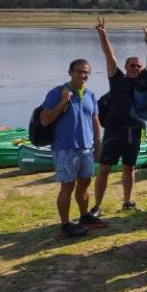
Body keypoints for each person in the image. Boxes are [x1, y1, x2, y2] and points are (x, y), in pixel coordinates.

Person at [40, 58, 105, 238]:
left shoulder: (90, 95)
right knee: (67, 187)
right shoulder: (57, 93)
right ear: (70, 72)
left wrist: (97, 145)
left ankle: (85, 217)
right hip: (65, 149)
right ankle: (66, 225)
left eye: (86, 72)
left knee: (85, 183)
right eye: (78, 71)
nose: (82, 75)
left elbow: (95, 121)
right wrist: (63, 101)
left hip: (86, 148)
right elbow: (45, 119)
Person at [90, 18, 146, 216]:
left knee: (129, 168)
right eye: (132, 65)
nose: (136, 69)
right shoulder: (117, 79)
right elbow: (109, 55)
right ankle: (97, 206)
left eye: (139, 66)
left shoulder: (143, 83)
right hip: (114, 131)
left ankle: (128, 201)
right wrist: (103, 34)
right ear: (126, 66)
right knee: (104, 169)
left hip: (134, 132)